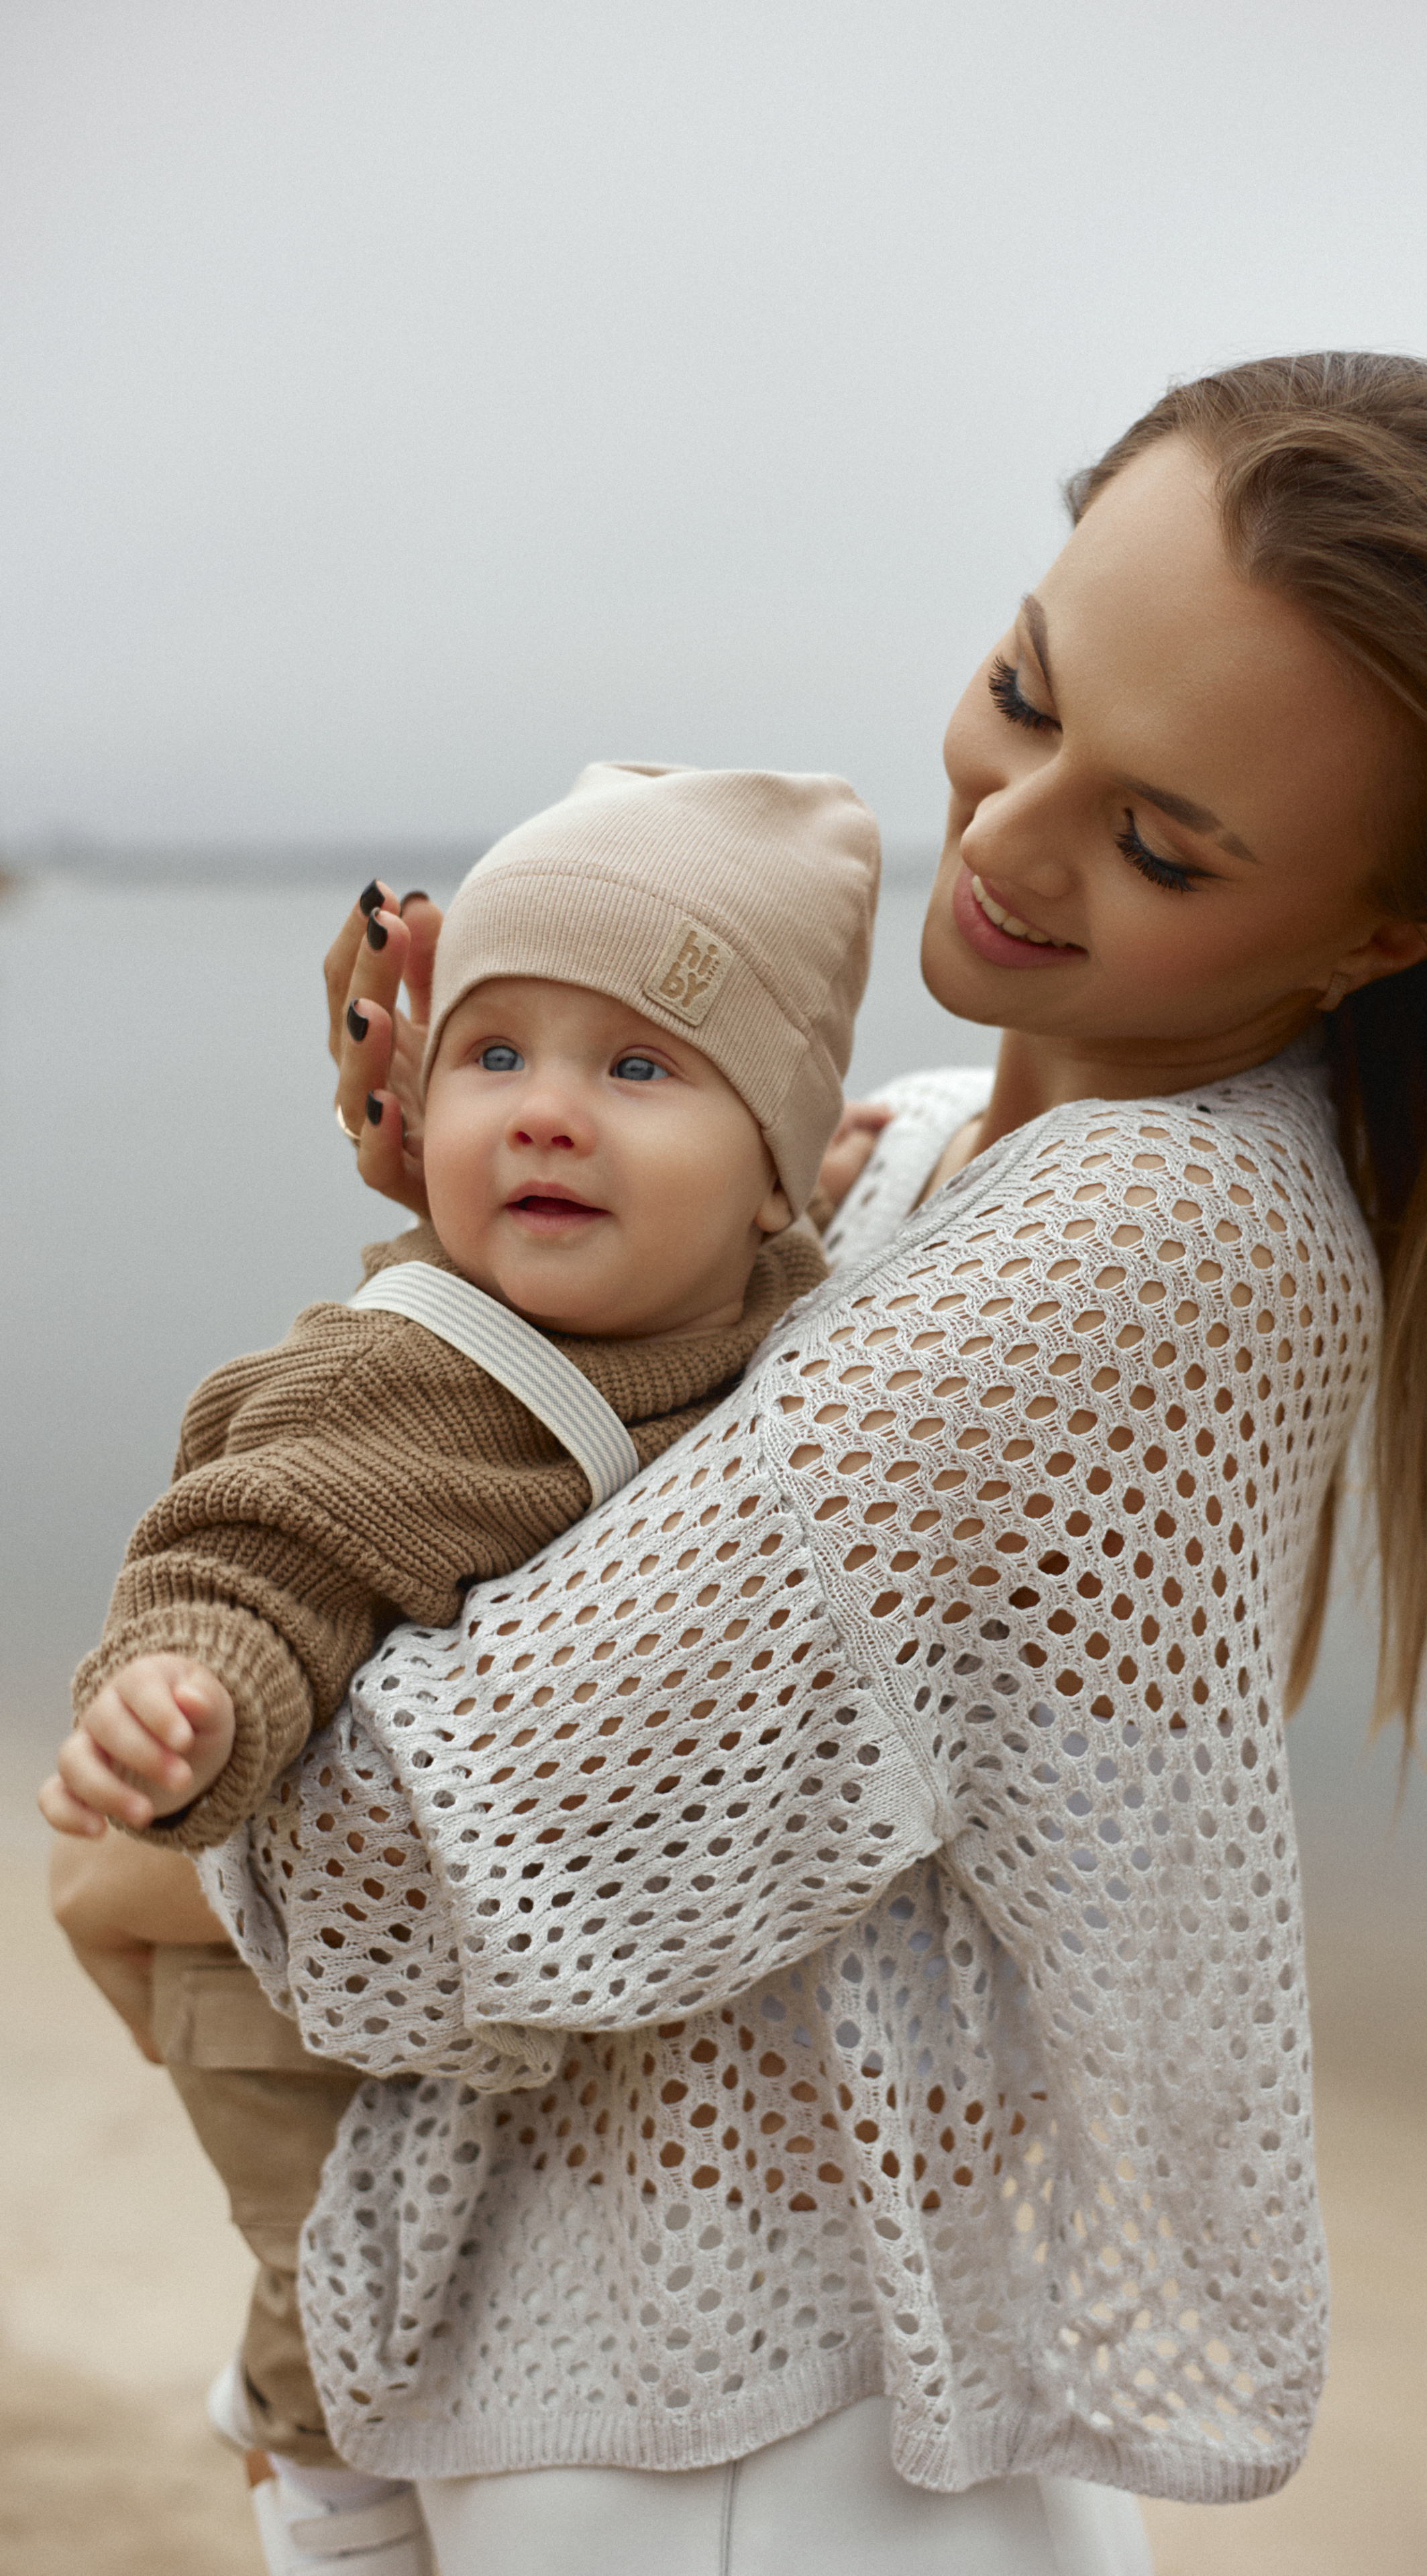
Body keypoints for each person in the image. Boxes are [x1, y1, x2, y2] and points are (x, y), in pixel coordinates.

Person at [93, 349, 1427, 2574]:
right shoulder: (948, 1142)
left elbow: (414, 1871)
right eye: (1026, 694)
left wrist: (225, 1712)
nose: (1010, 840)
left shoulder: (1140, 1238)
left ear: (1388, 930)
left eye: (1161, 843)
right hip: (680, 2370)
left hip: (742, 2460)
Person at [42, 761, 879, 2574]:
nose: (550, 1119)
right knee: (352, 2282)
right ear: (418, 1116)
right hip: (280, 1991)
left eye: (638, 1067)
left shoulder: (769, 1304)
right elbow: (246, 1555)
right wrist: (183, 1704)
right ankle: (311, 2487)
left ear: (774, 1179)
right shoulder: (415, 1376)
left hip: (476, 1953)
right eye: (495, 1060)